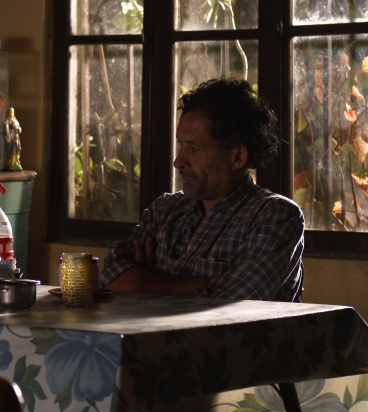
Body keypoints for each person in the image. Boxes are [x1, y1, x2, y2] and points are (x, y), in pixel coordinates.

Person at [99, 78, 305, 302]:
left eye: (194, 148)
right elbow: (109, 277)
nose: (178, 161)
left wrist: (144, 281)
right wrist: (203, 285)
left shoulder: (275, 216)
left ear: (237, 157)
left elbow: (231, 301)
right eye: (181, 145)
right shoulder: (165, 211)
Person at [3, 107, 22, 171]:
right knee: (11, 149)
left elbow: (19, 128)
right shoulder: (7, 121)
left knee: (17, 148)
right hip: (11, 136)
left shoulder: (15, 121)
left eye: (12, 112)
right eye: (10, 112)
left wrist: (18, 128)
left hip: (16, 137)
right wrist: (7, 137)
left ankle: (16, 161)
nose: (11, 114)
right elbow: (6, 129)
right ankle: (10, 161)